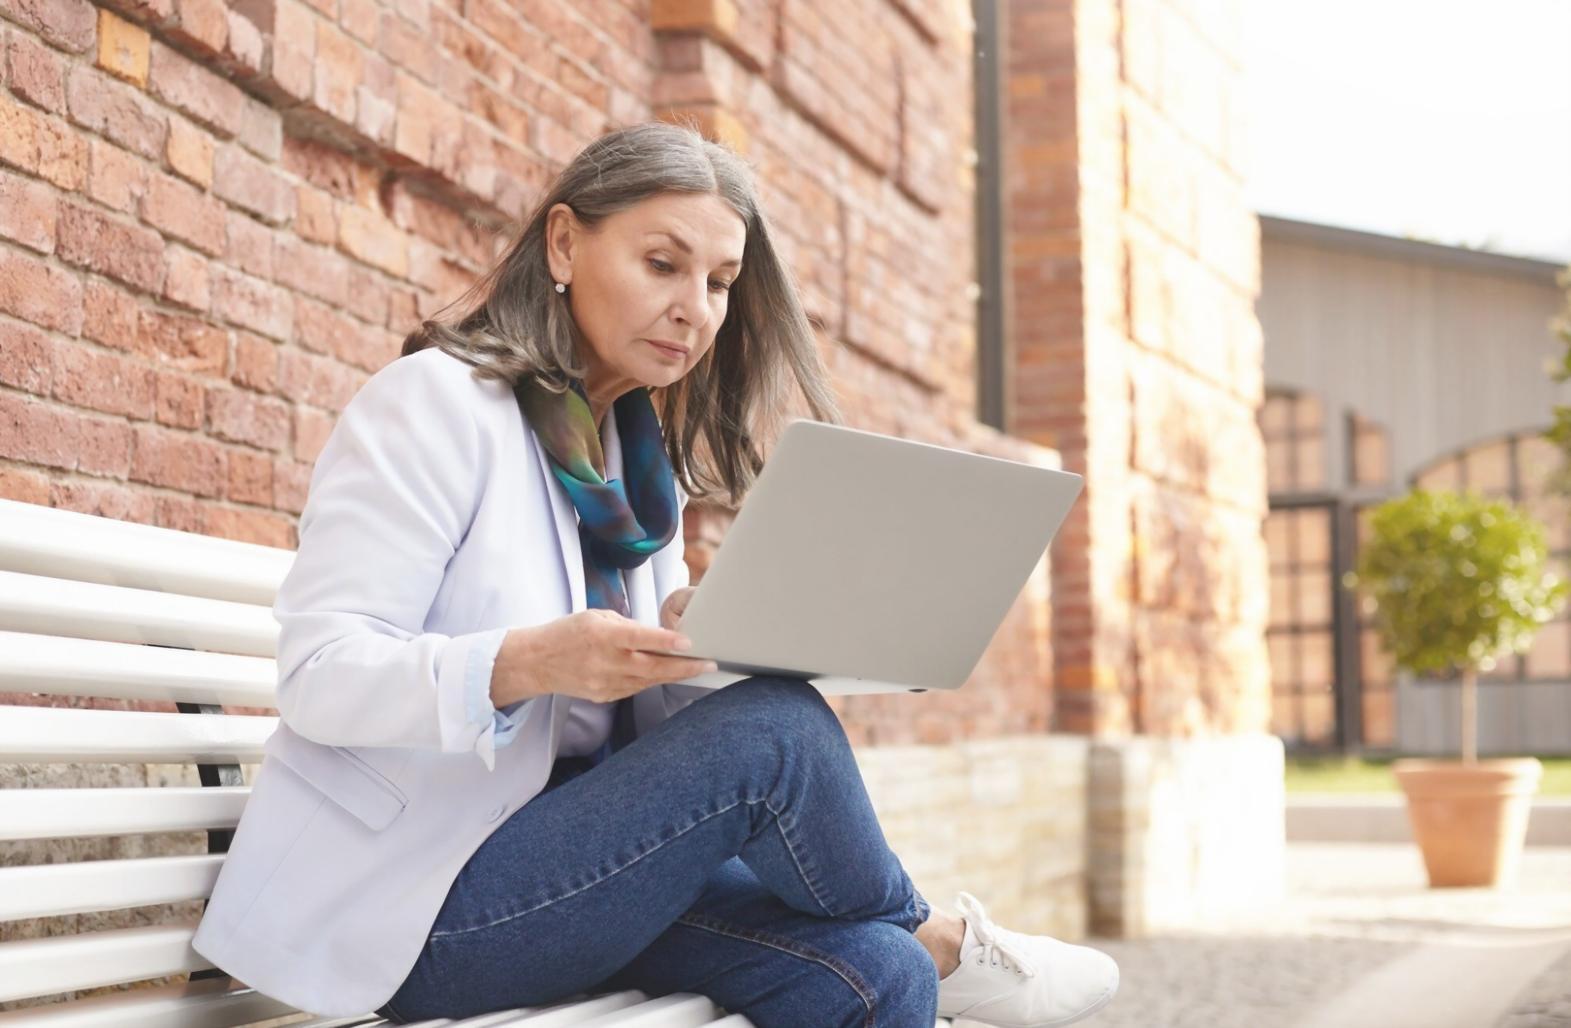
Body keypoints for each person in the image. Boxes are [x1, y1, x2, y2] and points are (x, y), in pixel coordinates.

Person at [191, 120, 1120, 1027]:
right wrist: (528, 662)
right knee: (776, 735)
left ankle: (918, 952)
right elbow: (319, 676)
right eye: (662, 264)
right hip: (414, 902)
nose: (696, 309)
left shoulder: (639, 465)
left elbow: (632, 734)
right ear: (564, 243)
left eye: (719, 282)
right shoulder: (433, 406)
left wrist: (704, 646)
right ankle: (943, 937)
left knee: (872, 976)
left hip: (580, 871)